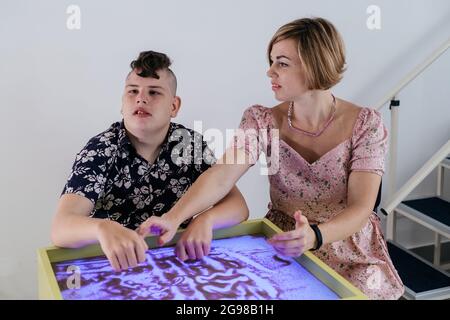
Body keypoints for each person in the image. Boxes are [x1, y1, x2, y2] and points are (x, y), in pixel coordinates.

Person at [138, 19, 405, 299]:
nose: (270, 71)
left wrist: (314, 235)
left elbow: (362, 207)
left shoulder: (366, 124)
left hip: (349, 248)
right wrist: (174, 217)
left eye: (282, 63)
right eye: (271, 61)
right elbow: (222, 175)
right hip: (283, 240)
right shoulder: (261, 119)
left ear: (315, 64)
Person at [51, 50, 249, 272]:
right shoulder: (101, 148)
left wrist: (206, 219)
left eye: (154, 92)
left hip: (176, 262)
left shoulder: (188, 144)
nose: (141, 98)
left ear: (174, 106)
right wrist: (101, 228)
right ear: (122, 103)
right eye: (132, 91)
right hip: (113, 267)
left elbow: (238, 206)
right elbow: (60, 227)